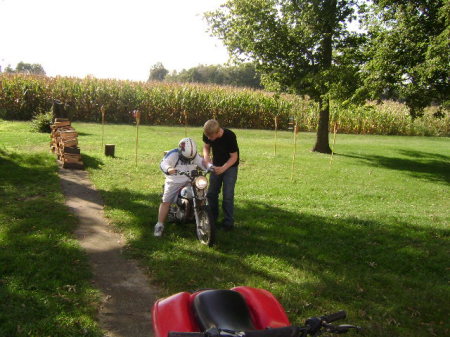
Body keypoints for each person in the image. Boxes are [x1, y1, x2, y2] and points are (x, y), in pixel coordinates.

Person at [154, 137, 210, 237]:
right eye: (186, 158)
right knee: (166, 201)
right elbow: (163, 163)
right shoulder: (173, 154)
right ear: (181, 150)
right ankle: (159, 225)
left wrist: (210, 167)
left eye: (191, 158)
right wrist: (169, 168)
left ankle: (200, 216)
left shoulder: (194, 155)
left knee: (201, 195)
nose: (189, 160)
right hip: (174, 181)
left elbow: (202, 162)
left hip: (191, 180)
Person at [202, 119, 239, 230]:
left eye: (210, 137)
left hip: (230, 167)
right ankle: (212, 218)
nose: (208, 138)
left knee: (227, 195)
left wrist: (223, 169)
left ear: (217, 132)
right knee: (212, 193)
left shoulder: (229, 136)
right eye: (207, 136)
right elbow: (206, 146)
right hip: (215, 166)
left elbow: (234, 157)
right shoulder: (208, 133)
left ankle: (228, 222)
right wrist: (207, 159)